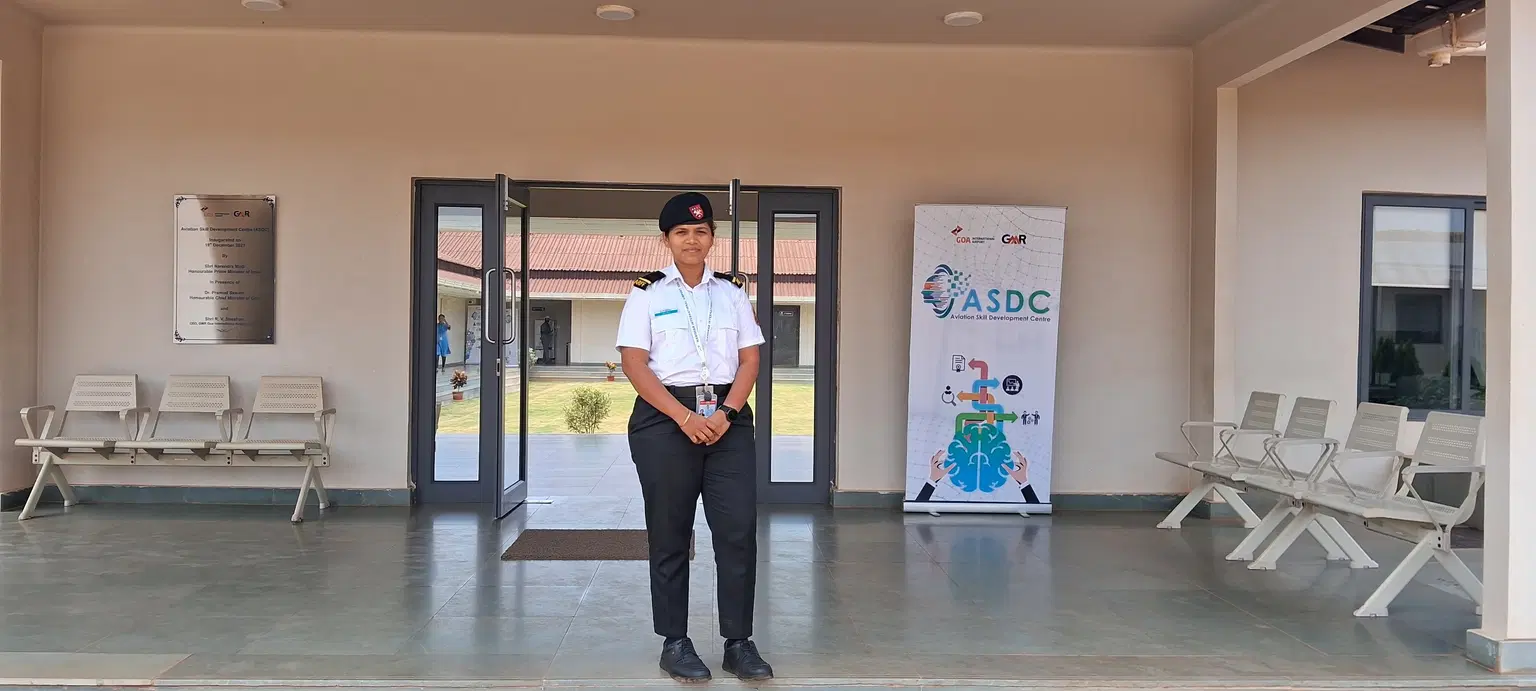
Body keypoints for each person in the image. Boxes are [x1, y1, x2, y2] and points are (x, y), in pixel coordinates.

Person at [615, 191, 773, 683]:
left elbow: (750, 359)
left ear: (712, 238)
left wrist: (726, 412)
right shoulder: (647, 293)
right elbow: (634, 364)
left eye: (700, 231)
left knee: (737, 531)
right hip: (665, 420)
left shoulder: (732, 292)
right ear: (666, 239)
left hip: (727, 419)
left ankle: (738, 643)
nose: (691, 240)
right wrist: (685, 418)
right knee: (670, 532)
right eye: (681, 232)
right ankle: (675, 642)